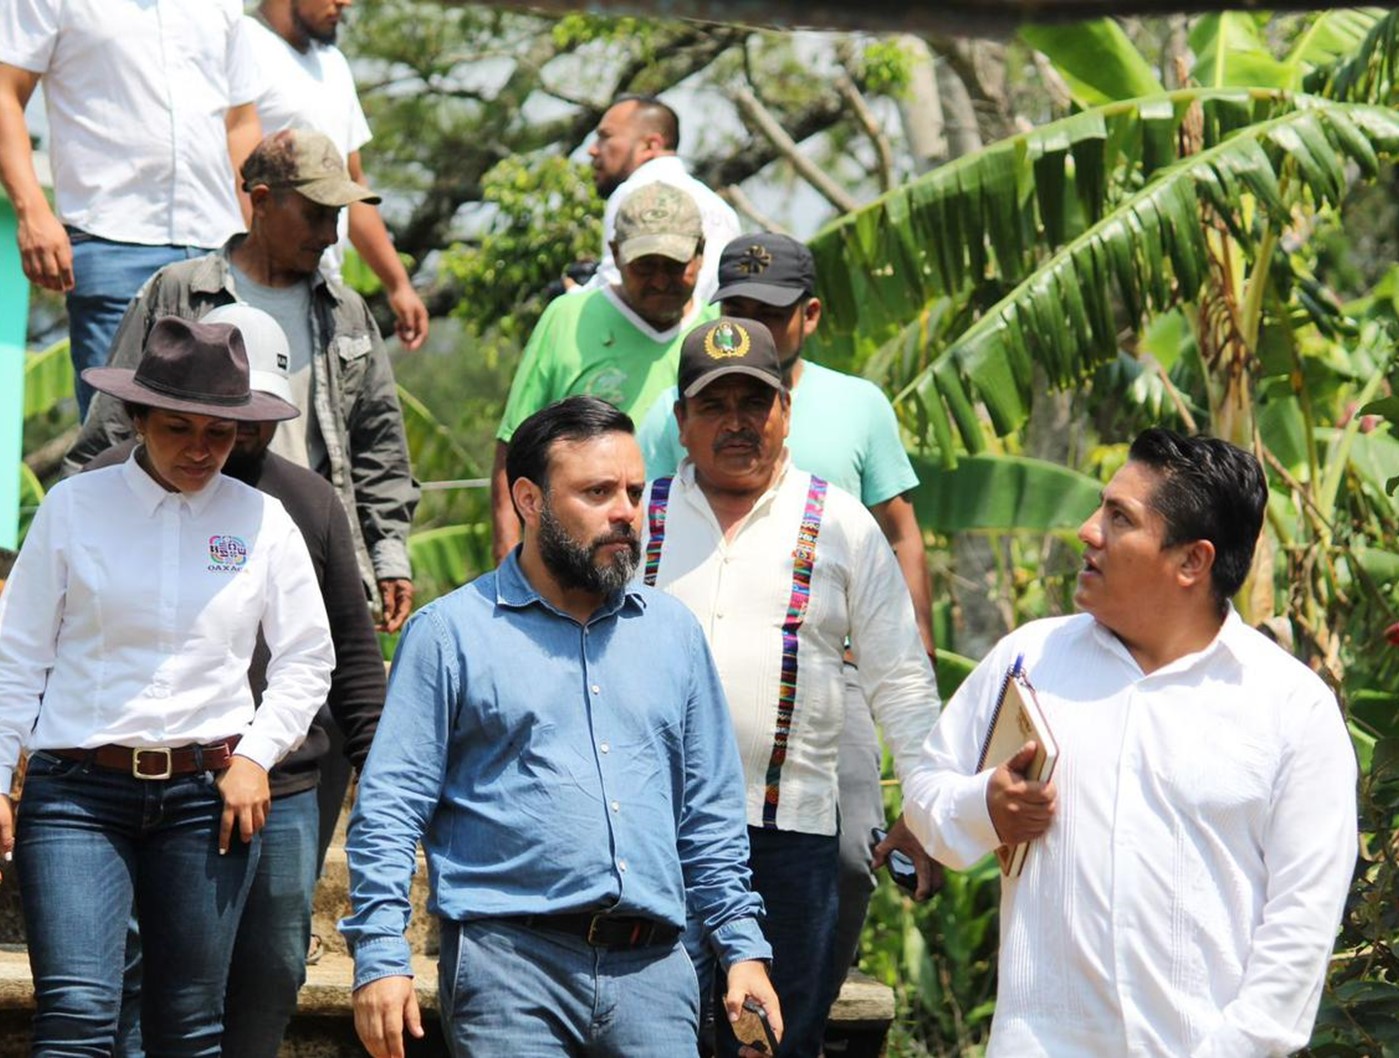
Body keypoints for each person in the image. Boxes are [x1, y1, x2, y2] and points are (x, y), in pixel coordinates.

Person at [342, 395, 781, 1058]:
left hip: (657, 973)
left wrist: (742, 949)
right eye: (597, 492)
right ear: (529, 499)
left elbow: (709, 815)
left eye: (633, 491)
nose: (625, 512)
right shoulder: (449, 635)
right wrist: (380, 954)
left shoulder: (673, 635)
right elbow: (389, 810)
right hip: (510, 967)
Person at [903, 427, 1359, 1057]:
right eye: (1100, 508)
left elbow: (1299, 929)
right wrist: (986, 807)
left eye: (1120, 518)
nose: (1088, 531)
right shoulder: (1029, 659)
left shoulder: (1291, 708)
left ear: (1192, 562)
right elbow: (925, 795)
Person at [0, 315, 334, 1056]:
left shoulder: (263, 521)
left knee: (189, 1025)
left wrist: (255, 757)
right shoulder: (72, 508)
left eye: (220, 432)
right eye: (179, 427)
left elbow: (308, 658)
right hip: (78, 794)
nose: (200, 449)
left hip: (205, 798)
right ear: (138, 417)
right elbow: (17, 654)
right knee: (78, 1016)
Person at [637, 232, 938, 996]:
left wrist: (929, 810)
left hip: (789, 834)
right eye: (715, 405)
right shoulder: (635, 519)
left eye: (754, 403)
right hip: (647, 832)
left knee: (775, 1039)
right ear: (680, 418)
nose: (737, 423)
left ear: (785, 410)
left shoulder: (839, 522)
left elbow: (900, 678)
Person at [89, 305, 386, 1058]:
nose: (222, 438)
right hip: (144, 775)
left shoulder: (307, 502)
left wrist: (381, 767)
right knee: (132, 965)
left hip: (284, 782)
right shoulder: (98, 492)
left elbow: (349, 652)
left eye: (242, 421)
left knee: (272, 961)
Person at [64, 128, 419, 636]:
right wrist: (82, 545)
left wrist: (389, 556)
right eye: (316, 213)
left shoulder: (347, 314)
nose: (330, 234)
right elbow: (110, 431)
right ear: (261, 201)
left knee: (312, 696)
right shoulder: (180, 293)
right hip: (182, 552)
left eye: (337, 216)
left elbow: (380, 446)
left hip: (306, 551)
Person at [0, 0, 262, 418]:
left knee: (221, 432)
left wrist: (257, 239)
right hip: (110, 244)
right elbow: (5, 90)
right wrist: (32, 211)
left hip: (218, 252)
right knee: (115, 433)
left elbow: (241, 121)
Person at [490, 181, 717, 561]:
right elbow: (512, 448)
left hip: (687, 558)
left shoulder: (717, 334)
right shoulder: (567, 319)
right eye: (645, 266)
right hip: (581, 559)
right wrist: (507, 558)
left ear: (700, 254)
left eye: (674, 265)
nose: (660, 280)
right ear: (615, 253)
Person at [244, 0, 429, 351]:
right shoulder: (243, 46)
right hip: (258, 292)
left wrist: (398, 283)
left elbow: (353, 185)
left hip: (323, 287)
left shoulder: (334, 65)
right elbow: (236, 172)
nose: (345, 2)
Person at [580, 94, 741, 304]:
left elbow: (612, 289)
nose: (592, 150)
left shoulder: (634, 194)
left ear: (651, 145)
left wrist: (572, 295)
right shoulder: (722, 209)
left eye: (605, 136)